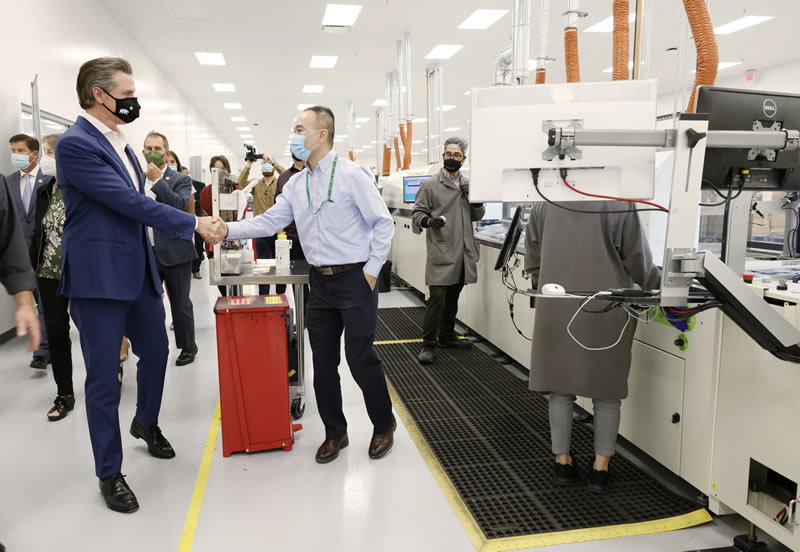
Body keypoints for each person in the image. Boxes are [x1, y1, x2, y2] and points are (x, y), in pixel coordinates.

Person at [56, 57, 218, 513]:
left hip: (138, 272)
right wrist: (194, 223)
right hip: (99, 279)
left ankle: (145, 423)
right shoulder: (75, 144)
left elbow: (142, 199)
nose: (134, 102)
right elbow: (127, 203)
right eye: (126, 95)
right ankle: (109, 472)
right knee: (105, 379)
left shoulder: (123, 145)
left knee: (158, 352)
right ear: (98, 95)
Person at [202, 106, 397, 464]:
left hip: (355, 280)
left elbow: (383, 224)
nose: (293, 136)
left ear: (321, 134)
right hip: (318, 283)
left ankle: (383, 424)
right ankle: (336, 433)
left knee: (360, 358)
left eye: (299, 128)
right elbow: (270, 220)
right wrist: (228, 229)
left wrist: (371, 271)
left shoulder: (353, 175)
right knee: (322, 364)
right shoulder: (296, 183)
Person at [524, 200, 660, 493]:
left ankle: (562, 462)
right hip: (606, 305)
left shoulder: (544, 203)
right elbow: (638, 259)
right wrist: (662, 288)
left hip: (556, 303)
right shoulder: (620, 203)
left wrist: (545, 283)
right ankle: (600, 468)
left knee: (559, 387)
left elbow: (533, 258)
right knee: (607, 391)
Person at [413, 137, 485, 364]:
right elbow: (416, 214)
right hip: (442, 250)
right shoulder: (430, 185)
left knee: (453, 296)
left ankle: (446, 335)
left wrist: (474, 200)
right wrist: (429, 222)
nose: (452, 158)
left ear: (463, 159)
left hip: (463, 252)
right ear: (443, 156)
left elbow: (478, 215)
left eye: (457, 155)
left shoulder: (468, 185)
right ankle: (428, 344)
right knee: (437, 300)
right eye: (448, 154)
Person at [29, 134, 78, 420]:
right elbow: (39, 229)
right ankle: (64, 393)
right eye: (45, 151)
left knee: (95, 330)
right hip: (48, 273)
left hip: (80, 271)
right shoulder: (44, 189)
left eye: (51, 152)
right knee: (58, 333)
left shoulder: (82, 189)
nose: (46, 158)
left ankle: (109, 376)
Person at [142, 132, 198, 366]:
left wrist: (157, 182)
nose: (152, 151)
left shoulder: (180, 179)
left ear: (166, 152)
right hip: (146, 251)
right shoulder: (136, 178)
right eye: (148, 147)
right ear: (143, 151)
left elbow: (178, 206)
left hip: (175, 250)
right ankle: (153, 346)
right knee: (147, 303)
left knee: (180, 302)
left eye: (157, 147)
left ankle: (187, 346)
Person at [6, 133, 51, 369]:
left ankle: (43, 352)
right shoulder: (8, 182)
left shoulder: (49, 180)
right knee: (33, 300)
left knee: (44, 301)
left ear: (34, 154)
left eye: (21, 151)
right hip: (18, 254)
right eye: (13, 150)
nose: (16, 155)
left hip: (43, 252)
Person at [238, 155, 285, 295]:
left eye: (268, 163)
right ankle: (263, 295)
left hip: (279, 231)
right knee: (262, 265)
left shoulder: (281, 183)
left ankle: (280, 295)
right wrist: (248, 165)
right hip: (261, 230)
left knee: (281, 265)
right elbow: (240, 183)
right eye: (263, 163)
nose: (266, 165)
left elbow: (290, 177)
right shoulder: (256, 184)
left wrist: (275, 163)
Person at [276, 153, 309, 315]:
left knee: (319, 280)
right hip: (294, 237)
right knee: (298, 281)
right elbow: (279, 207)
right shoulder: (284, 178)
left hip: (315, 238)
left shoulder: (316, 173)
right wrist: (280, 231)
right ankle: (303, 317)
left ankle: (316, 318)